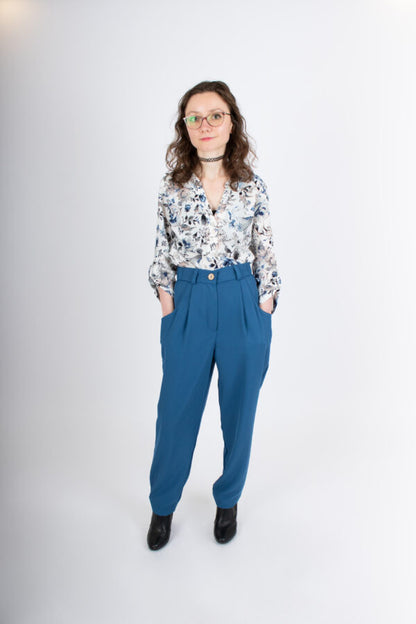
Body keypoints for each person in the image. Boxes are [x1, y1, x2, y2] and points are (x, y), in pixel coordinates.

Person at [146, 80, 282, 550]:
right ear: (185, 128)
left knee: (239, 411)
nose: (205, 125)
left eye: (215, 115)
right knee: (176, 412)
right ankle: (162, 506)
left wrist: (263, 307)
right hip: (189, 304)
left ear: (231, 123)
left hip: (243, 299)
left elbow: (266, 251)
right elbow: (162, 255)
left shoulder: (252, 185)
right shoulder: (172, 188)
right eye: (194, 117)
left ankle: (228, 500)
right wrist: (169, 307)